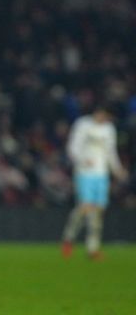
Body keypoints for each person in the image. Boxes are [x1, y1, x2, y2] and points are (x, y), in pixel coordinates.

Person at [61, 104, 128, 260]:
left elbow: (111, 151)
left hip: (101, 174)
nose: (105, 120)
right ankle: (68, 238)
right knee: (85, 208)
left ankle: (92, 248)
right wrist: (82, 160)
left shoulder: (109, 129)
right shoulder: (82, 124)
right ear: (99, 112)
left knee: (97, 212)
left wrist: (117, 169)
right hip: (84, 172)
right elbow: (72, 147)